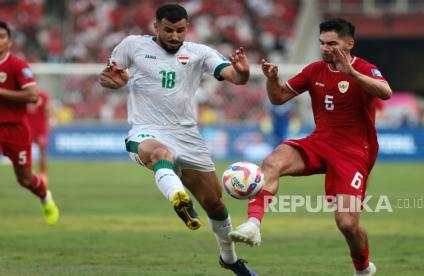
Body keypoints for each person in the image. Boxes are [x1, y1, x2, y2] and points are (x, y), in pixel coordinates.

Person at [98, 4, 256, 276]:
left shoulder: (199, 52)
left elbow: (234, 77)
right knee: (160, 153)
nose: (174, 36)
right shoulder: (132, 45)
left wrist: (242, 72)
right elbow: (109, 77)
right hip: (146, 130)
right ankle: (179, 198)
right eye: (168, 30)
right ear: (156, 26)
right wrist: (113, 81)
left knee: (216, 205)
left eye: (180, 30)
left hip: (186, 135)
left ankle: (229, 259)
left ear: (187, 28)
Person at [229, 18, 392, 276]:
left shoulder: (364, 68)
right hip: (320, 141)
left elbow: (385, 92)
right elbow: (279, 98)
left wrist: (352, 74)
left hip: (353, 152)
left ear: (349, 44)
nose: (325, 48)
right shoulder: (314, 70)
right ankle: (252, 224)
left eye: (332, 43)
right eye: (322, 43)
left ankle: (363, 269)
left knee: (347, 223)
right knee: (273, 161)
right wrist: (272, 81)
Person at [0, 21, 59, 225]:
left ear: (9, 43)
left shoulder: (17, 66)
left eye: (2, 37)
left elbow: (33, 96)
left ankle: (45, 197)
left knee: (24, 179)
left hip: (15, 129)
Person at [26, 90, 52, 181]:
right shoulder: (23, 95)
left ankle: (43, 173)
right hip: (27, 128)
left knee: (42, 151)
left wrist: (50, 122)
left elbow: (48, 110)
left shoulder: (43, 96)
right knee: (27, 152)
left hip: (40, 129)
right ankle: (29, 173)